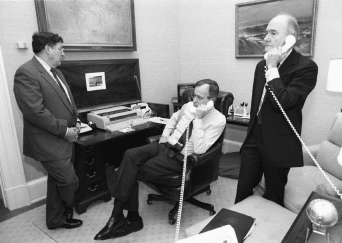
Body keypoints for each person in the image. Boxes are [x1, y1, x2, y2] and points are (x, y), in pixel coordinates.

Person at [94, 79, 226, 240]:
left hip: (180, 158)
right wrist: (164, 136)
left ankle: (125, 218)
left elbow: (200, 149)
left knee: (132, 170)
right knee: (129, 155)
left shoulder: (219, 120)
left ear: (211, 101)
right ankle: (121, 217)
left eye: (199, 97)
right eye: (194, 95)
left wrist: (198, 119)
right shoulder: (188, 106)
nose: (194, 100)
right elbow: (174, 118)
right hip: (165, 146)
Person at [235, 13, 318, 207]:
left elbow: (285, 101)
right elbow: (258, 103)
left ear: (291, 38)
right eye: (266, 33)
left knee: (273, 195)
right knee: (243, 189)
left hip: (280, 141)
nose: (265, 38)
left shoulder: (306, 67)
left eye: (273, 33)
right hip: (254, 137)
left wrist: (273, 68)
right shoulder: (260, 65)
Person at [13, 32, 83, 229]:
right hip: (49, 141)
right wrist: (64, 130)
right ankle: (67, 208)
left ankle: (55, 219)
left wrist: (76, 120)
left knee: (56, 180)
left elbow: (68, 102)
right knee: (69, 181)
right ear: (48, 49)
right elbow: (35, 112)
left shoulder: (56, 71)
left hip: (65, 137)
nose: (64, 53)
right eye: (61, 49)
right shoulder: (26, 72)